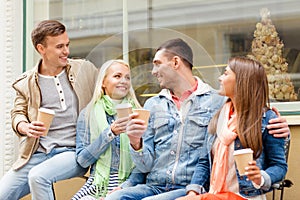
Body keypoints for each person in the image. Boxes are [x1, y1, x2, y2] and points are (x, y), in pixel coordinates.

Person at [104, 38, 290, 200]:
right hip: (157, 185)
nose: (152, 71)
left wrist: (283, 131)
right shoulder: (154, 105)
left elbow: (251, 113)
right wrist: (136, 143)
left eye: (157, 63)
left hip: (197, 188)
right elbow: (147, 164)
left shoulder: (216, 102)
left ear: (175, 62)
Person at [0, 20, 98, 200]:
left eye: (67, 45)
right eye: (59, 47)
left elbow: (107, 91)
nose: (66, 51)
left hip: (73, 151)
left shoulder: (84, 70)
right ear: (41, 48)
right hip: (37, 153)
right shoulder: (26, 82)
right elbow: (17, 113)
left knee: (38, 177)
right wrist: (25, 127)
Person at [177, 56, 288, 200]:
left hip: (245, 196)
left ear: (242, 80)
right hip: (215, 194)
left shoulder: (267, 119)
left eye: (225, 73)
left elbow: (279, 166)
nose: (219, 78)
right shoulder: (219, 116)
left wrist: (260, 177)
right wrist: (193, 192)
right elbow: (204, 162)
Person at [71, 59, 142, 200]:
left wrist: (124, 187)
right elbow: (83, 161)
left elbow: (145, 161)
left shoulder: (139, 113)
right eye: (117, 76)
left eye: (127, 77)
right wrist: (110, 134)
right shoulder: (88, 113)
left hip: (130, 183)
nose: (124, 81)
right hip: (98, 183)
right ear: (103, 82)